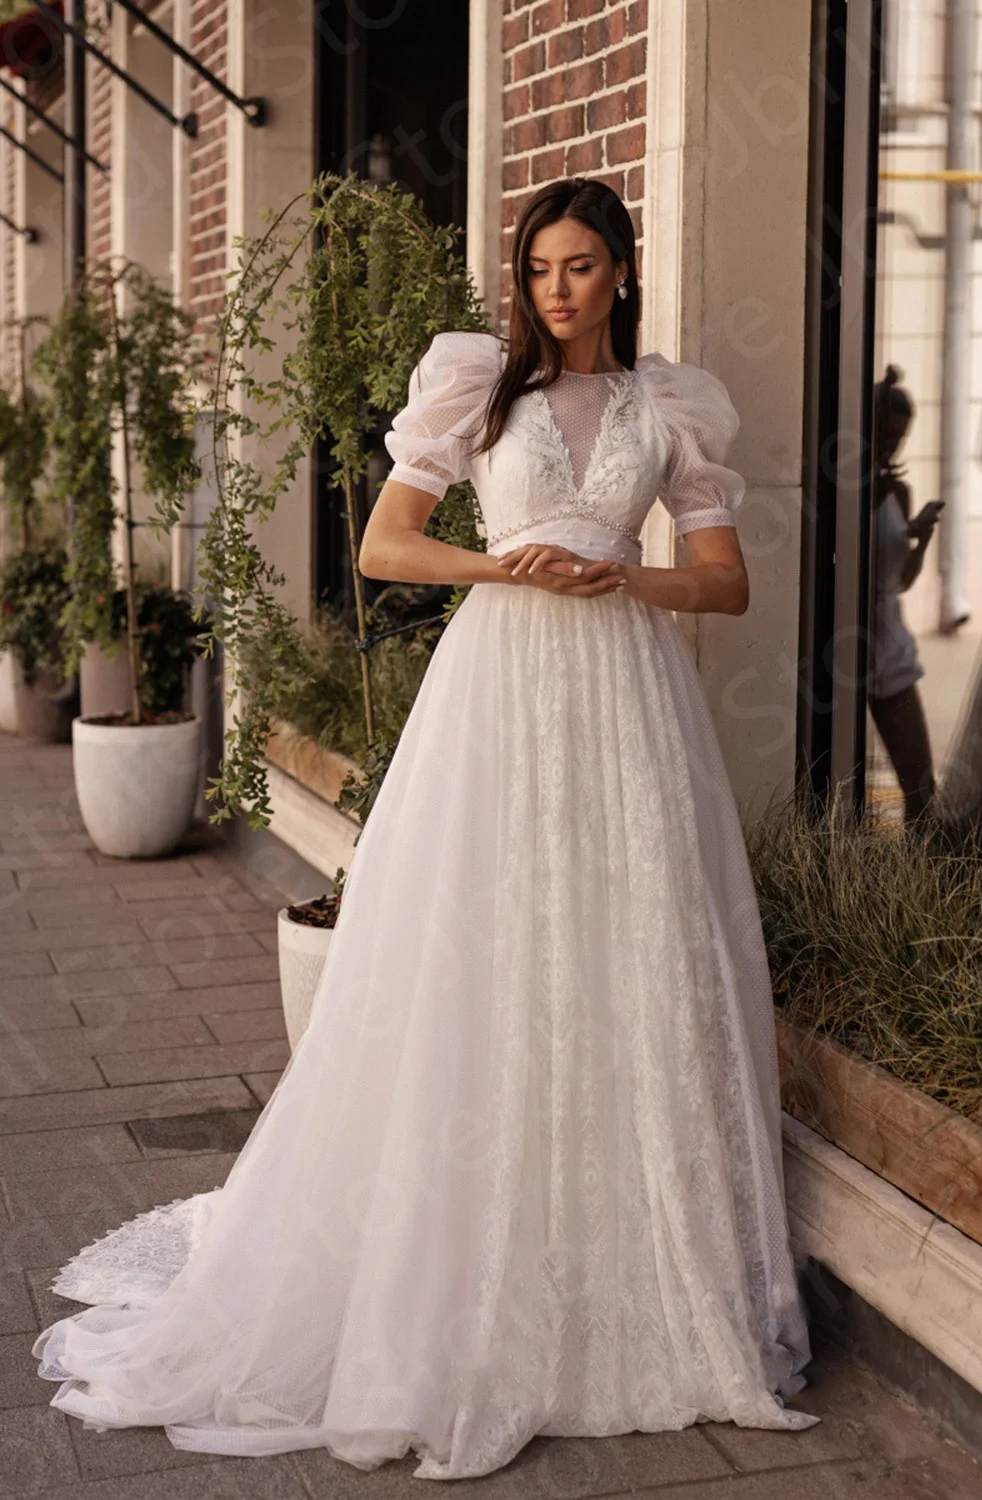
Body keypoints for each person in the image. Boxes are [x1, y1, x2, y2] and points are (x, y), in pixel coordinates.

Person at [31, 177, 820, 1480]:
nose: (556, 288)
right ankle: (458, 1260)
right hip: (499, 686)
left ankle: (625, 1273)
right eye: (539, 268)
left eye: (580, 266)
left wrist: (622, 573)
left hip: (626, 700)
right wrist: (501, 563)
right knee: (480, 954)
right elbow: (389, 548)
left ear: (622, 271)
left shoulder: (666, 408)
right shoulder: (479, 390)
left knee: (626, 955)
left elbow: (726, 581)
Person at [868, 365, 941, 827]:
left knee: (920, 787)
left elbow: (904, 580)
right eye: (886, 434)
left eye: (901, 437)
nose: (893, 446)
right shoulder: (853, 488)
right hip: (849, 639)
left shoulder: (899, 490)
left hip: (890, 645)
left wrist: (921, 537)